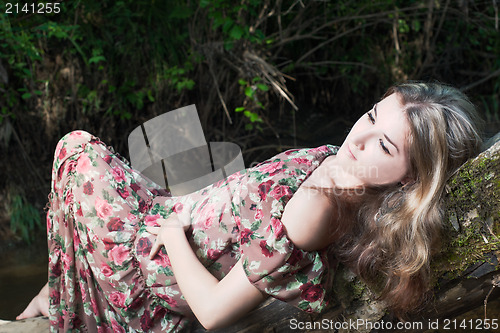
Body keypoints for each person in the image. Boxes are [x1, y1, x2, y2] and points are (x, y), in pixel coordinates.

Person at [17, 82, 482, 332]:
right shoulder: (346, 174)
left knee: (77, 149)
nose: (357, 138)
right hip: (176, 216)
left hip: (157, 259)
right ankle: (57, 285)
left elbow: (215, 312)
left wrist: (173, 234)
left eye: (382, 145)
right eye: (370, 116)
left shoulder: (317, 209)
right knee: (97, 163)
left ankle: (62, 295)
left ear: (409, 179)